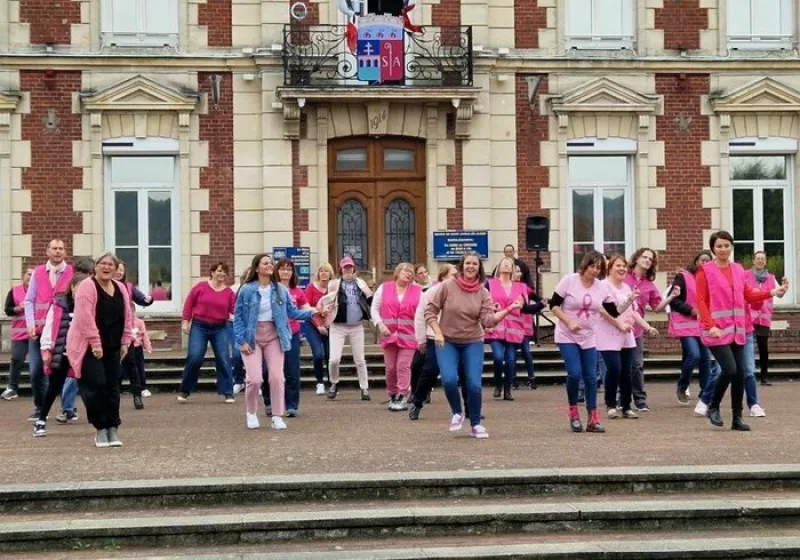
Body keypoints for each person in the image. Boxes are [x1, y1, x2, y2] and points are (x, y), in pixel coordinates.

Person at [697, 231, 788, 431]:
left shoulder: (738, 269)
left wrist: (773, 292)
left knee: (739, 374)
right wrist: (709, 324)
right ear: (713, 248)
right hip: (717, 331)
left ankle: (736, 418)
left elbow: (748, 294)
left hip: (739, 329)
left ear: (731, 247)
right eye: (719, 246)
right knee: (729, 369)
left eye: (726, 245)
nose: (723, 249)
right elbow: (701, 300)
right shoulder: (705, 271)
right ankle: (713, 405)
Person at [425, 252, 520, 439]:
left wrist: (508, 310)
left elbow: (488, 321)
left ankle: (476, 424)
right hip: (447, 341)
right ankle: (457, 413)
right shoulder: (447, 286)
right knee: (449, 380)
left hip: (472, 341)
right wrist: (436, 331)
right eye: (467, 263)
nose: (470, 266)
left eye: (474, 264)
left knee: (474, 385)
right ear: (462, 266)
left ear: (479, 268)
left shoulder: (483, 292)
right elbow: (430, 310)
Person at [549, 251, 633, 433]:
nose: (594, 271)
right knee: (574, 373)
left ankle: (593, 419)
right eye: (592, 266)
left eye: (598, 268)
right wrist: (569, 321)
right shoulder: (570, 280)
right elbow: (553, 305)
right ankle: (573, 413)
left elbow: (614, 312)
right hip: (567, 334)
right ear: (584, 265)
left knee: (590, 378)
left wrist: (629, 301)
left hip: (588, 335)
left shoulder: (602, 288)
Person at [233, 253, 318, 430]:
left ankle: (277, 416)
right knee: (255, 379)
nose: (270, 266)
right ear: (257, 268)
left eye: (271, 263)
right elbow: (238, 317)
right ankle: (251, 412)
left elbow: (293, 312)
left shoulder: (280, 289)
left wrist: (314, 312)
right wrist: (241, 341)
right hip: (252, 336)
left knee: (277, 377)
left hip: (275, 336)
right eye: (265, 263)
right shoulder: (247, 290)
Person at [66, 253, 134, 448]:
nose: (106, 267)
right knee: (96, 386)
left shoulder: (120, 288)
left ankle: (113, 427)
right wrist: (95, 343)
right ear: (95, 267)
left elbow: (127, 316)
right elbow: (84, 317)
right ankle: (100, 428)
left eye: (110, 265)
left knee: (113, 388)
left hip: (113, 346)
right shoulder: (88, 286)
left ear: (115, 269)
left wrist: (125, 341)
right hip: (88, 346)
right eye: (102, 264)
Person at [597, 254, 659, 420]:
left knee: (627, 371)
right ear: (610, 268)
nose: (622, 269)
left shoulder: (626, 288)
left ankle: (626, 406)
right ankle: (611, 404)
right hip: (608, 334)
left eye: (624, 266)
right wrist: (619, 324)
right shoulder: (603, 286)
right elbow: (604, 312)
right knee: (614, 368)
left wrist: (647, 327)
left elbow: (633, 313)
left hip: (626, 334)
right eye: (618, 265)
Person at [23, 239, 75, 422]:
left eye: (61, 249)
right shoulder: (38, 273)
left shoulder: (71, 272)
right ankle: (39, 406)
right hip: (38, 330)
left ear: (65, 252)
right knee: (36, 370)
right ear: (47, 252)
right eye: (54, 248)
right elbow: (29, 300)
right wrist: (29, 323)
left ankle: (67, 407)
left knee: (66, 369)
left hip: (62, 330)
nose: (58, 252)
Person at [409, 264, 469, 420]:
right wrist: (421, 340)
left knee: (465, 372)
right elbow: (420, 317)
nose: (456, 278)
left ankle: (470, 408)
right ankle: (417, 403)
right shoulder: (430, 293)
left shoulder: (464, 293)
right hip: (435, 338)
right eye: (452, 275)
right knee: (430, 370)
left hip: (459, 338)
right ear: (443, 277)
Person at [32, 273, 87, 437]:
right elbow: (49, 326)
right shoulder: (58, 305)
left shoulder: (90, 305)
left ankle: (101, 422)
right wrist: (46, 349)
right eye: (80, 288)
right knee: (53, 387)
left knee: (91, 386)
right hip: (62, 353)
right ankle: (41, 419)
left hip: (82, 354)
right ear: (72, 287)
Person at [624, 248, 676, 412]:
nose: (647, 260)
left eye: (650, 259)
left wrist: (671, 297)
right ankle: (620, 398)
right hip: (619, 327)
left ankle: (640, 400)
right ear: (637, 258)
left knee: (637, 365)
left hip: (637, 329)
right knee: (620, 365)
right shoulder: (623, 277)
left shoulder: (649, 285)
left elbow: (657, 307)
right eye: (644, 257)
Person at [178, 262, 236, 403]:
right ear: (212, 272)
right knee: (195, 356)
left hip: (220, 327)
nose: (222, 274)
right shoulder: (201, 287)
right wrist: (185, 321)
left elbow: (235, 310)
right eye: (219, 271)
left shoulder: (229, 293)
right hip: (200, 326)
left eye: (224, 272)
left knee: (223, 357)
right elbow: (189, 304)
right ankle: (185, 390)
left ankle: (228, 391)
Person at [372, 262, 423, 411]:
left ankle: (403, 395)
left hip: (409, 336)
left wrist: (422, 336)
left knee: (403, 366)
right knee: (390, 368)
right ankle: (393, 393)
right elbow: (374, 309)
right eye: (405, 270)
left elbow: (422, 315)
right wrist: (380, 325)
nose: (408, 273)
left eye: (411, 272)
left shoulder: (418, 292)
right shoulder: (384, 288)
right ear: (397, 272)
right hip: (389, 335)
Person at [320, 257, 373, 401]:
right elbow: (327, 299)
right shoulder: (334, 284)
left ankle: (364, 388)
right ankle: (334, 383)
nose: (348, 270)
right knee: (334, 360)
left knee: (360, 360)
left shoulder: (360, 283)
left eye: (350, 267)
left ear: (354, 269)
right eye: (345, 267)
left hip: (356, 326)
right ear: (341, 269)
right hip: (338, 326)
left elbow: (370, 298)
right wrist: (325, 309)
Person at [669, 250, 715, 406]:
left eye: (708, 261)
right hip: (686, 324)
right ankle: (682, 386)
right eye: (702, 260)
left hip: (703, 325)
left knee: (705, 360)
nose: (705, 263)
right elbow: (673, 300)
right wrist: (691, 310)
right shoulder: (682, 277)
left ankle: (705, 394)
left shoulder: (711, 279)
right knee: (694, 355)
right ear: (696, 261)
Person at [484, 257, 528, 402]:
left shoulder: (520, 286)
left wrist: (521, 304)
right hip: (496, 327)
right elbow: (483, 302)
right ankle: (498, 384)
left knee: (510, 360)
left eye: (509, 264)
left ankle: (507, 389)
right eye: (503, 263)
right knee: (497, 357)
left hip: (513, 329)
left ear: (512, 269)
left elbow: (524, 305)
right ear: (499, 267)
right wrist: (492, 307)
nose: (506, 265)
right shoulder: (490, 284)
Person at [271, 258, 311, 417]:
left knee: (292, 371)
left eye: (289, 269)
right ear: (276, 271)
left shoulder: (297, 292)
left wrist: (318, 312)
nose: (286, 272)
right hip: (272, 336)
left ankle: (291, 405)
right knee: (271, 371)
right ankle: (270, 402)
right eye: (282, 269)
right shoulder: (270, 289)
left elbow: (306, 309)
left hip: (292, 334)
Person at [115, 261, 153, 408]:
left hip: (126, 331)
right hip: (110, 332)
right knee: (115, 366)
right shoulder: (102, 286)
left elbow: (141, 298)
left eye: (121, 270)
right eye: (116, 269)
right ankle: (114, 397)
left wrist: (148, 300)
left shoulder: (128, 287)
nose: (118, 272)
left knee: (131, 364)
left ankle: (137, 395)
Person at [2, 267, 34, 400]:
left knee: (38, 363)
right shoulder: (14, 291)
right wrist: (18, 308)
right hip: (19, 334)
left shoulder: (40, 292)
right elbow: (7, 309)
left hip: (35, 333)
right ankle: (12, 388)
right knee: (17, 360)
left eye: (33, 275)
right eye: (28, 274)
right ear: (23, 276)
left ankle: (40, 389)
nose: (30, 277)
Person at [746, 251, 776, 386]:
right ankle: (748, 374)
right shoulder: (746, 275)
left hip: (764, 317)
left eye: (762, 259)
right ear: (753, 261)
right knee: (747, 347)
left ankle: (764, 376)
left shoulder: (771, 278)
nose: (760, 261)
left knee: (763, 347)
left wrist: (784, 289)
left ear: (766, 262)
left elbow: (779, 294)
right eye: (757, 258)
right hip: (748, 317)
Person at [304, 263, 333, 395]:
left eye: (326, 271)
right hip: (312, 325)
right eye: (321, 271)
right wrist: (318, 325)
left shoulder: (333, 289)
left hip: (329, 326)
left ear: (330, 274)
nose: (324, 273)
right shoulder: (311, 287)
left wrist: (326, 324)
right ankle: (319, 383)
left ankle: (332, 383)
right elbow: (307, 309)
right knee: (318, 354)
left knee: (329, 355)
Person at [513, 264, 544, 390]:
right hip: (512, 324)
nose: (519, 274)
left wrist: (542, 303)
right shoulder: (505, 288)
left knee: (526, 352)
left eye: (520, 272)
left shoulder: (524, 287)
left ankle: (532, 379)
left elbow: (537, 299)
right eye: (516, 271)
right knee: (512, 354)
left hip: (524, 324)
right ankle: (513, 379)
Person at [231, 267, 250, 394]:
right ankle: (238, 381)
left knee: (253, 354)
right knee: (237, 354)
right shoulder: (234, 289)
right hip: (236, 324)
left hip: (254, 326)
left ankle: (253, 382)